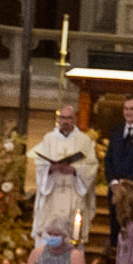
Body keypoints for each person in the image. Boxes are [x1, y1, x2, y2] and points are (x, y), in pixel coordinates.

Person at [29, 104, 97, 243]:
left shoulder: (84, 141)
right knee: (48, 232)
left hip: (73, 193)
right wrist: (50, 168)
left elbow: (92, 166)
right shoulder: (49, 139)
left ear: (75, 119)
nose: (65, 121)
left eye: (69, 118)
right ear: (59, 119)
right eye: (63, 118)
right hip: (52, 194)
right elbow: (40, 163)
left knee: (72, 233)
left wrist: (75, 170)